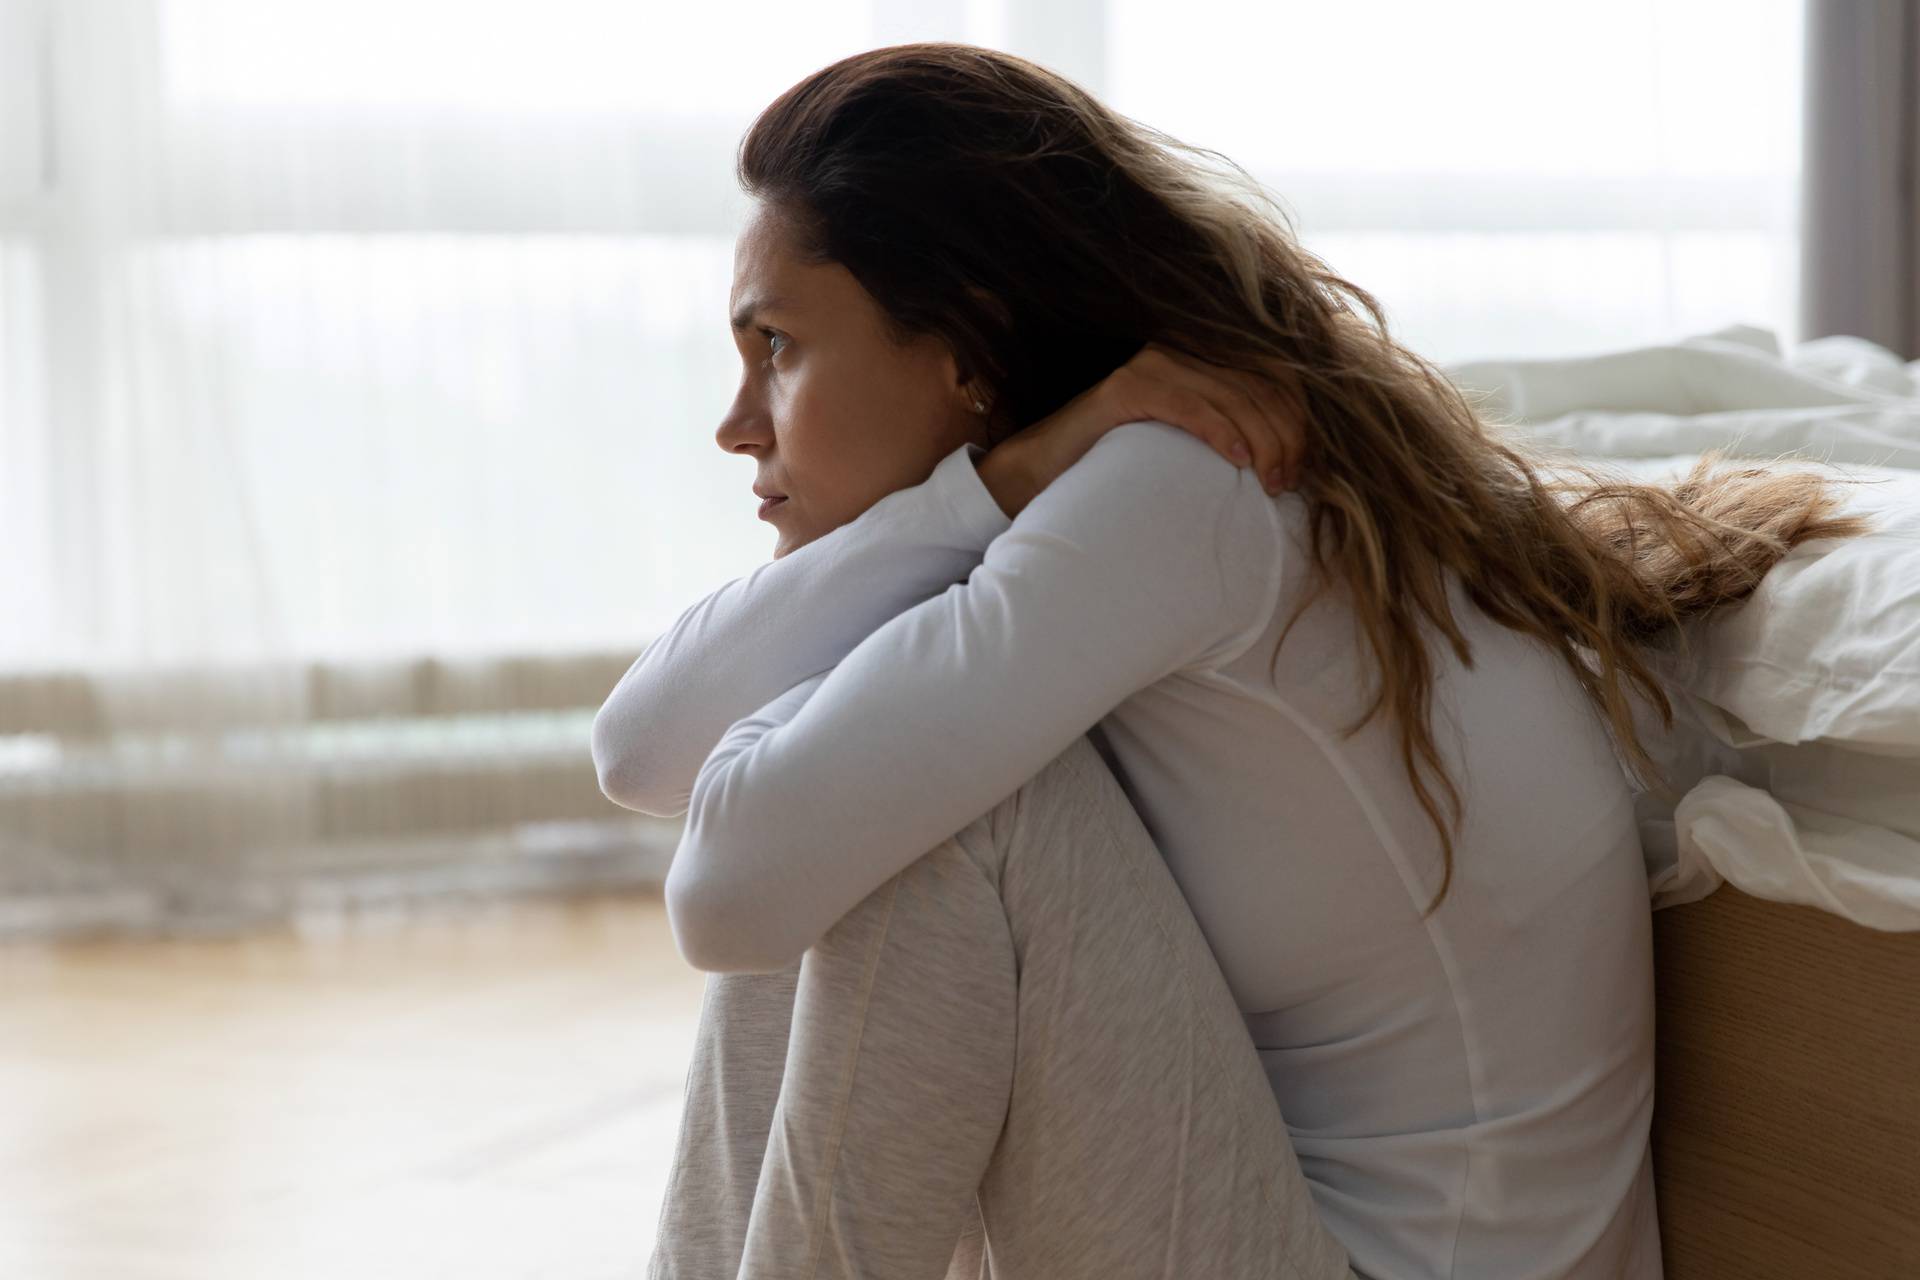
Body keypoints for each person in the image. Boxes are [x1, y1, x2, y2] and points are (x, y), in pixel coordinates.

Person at [592, 42, 1874, 1280]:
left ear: (968, 346)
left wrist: (990, 492)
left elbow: (726, 894)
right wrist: (990, 483)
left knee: (920, 816)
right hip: (1271, 1217)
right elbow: (641, 750)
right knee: (855, 774)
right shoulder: (1097, 494)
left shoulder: (1178, 492)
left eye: (779, 346)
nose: (736, 420)